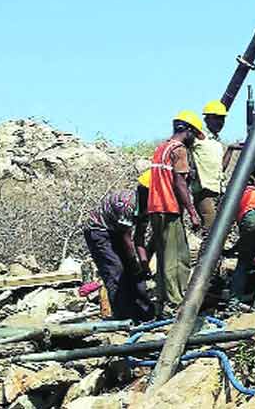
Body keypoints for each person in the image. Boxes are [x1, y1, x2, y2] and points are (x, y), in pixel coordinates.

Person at [147, 110, 204, 316]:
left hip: (155, 208)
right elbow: (179, 183)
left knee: (163, 256)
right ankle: (176, 303)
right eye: (194, 135)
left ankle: (162, 300)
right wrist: (193, 212)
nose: (193, 140)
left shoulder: (161, 147)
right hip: (169, 207)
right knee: (177, 257)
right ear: (187, 131)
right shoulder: (179, 149)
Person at [83, 188, 154, 322]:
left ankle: (144, 313)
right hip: (98, 230)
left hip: (116, 229)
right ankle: (122, 317)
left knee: (134, 273)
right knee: (115, 271)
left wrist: (144, 264)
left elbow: (139, 238)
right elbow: (126, 238)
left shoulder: (148, 208)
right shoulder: (127, 205)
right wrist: (134, 263)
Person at [189, 100, 228, 232]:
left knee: (218, 229)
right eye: (217, 118)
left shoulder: (216, 142)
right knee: (211, 229)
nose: (220, 122)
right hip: (203, 192)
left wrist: (232, 150)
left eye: (222, 119)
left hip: (217, 192)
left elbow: (220, 168)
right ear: (207, 118)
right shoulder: (198, 136)